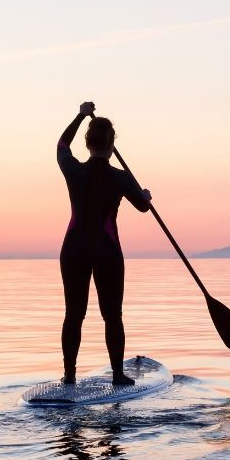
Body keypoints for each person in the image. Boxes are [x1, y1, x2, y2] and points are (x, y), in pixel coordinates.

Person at [56, 101, 152, 386]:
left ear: (87, 143)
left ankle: (69, 376)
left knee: (74, 314)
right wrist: (144, 193)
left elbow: (61, 145)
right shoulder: (121, 177)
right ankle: (118, 375)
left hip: (73, 249)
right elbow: (143, 207)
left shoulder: (73, 169)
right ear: (111, 145)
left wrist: (79, 115)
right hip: (106, 251)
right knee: (112, 315)